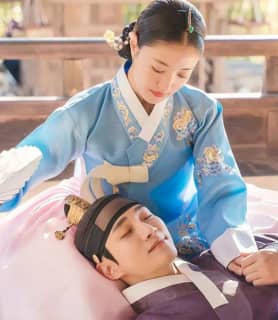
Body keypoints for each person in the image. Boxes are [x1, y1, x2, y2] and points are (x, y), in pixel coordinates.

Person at [1, 0, 256, 271]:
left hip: (181, 232)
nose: (167, 84)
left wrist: (234, 250)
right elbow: (40, 153)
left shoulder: (201, 111)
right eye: (158, 68)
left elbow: (220, 182)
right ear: (134, 44)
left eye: (183, 73)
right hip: (112, 240)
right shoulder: (87, 111)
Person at [71, 193, 278, 320]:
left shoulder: (223, 254)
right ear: (109, 270)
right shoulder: (157, 316)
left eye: (147, 217)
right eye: (126, 232)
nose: (149, 230)